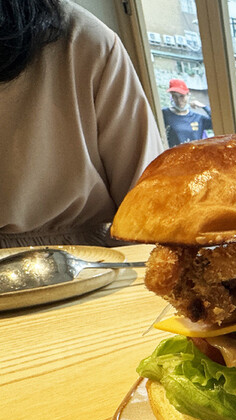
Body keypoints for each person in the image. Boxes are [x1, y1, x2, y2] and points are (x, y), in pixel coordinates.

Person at [0, 0, 163, 248]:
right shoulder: (86, 38)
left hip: (89, 263)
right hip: (92, 261)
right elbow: (149, 208)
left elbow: (148, 209)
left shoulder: (86, 40)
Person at [161, 79, 213, 147]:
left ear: (188, 95)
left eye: (182, 96)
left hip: (195, 155)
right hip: (175, 155)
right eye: (175, 96)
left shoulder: (197, 118)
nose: (179, 100)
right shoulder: (164, 114)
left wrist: (203, 106)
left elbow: (216, 124)